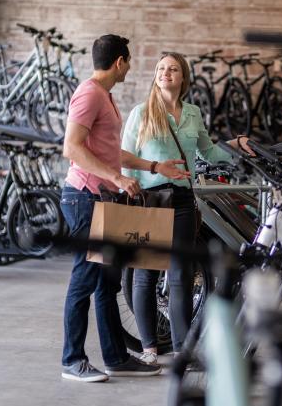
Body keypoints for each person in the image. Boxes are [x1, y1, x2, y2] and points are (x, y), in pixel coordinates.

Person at [60, 35, 189, 382]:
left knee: (107, 284)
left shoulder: (105, 97)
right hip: (84, 198)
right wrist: (116, 177)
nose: (131, 67)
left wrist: (153, 167)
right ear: (119, 62)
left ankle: (116, 358)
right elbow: (71, 148)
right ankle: (72, 361)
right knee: (84, 281)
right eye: (129, 61)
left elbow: (110, 152)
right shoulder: (89, 94)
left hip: (101, 199)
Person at [121, 52, 254, 363]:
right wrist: (134, 191)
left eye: (173, 69)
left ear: (183, 78)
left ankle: (182, 348)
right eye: (161, 68)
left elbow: (207, 151)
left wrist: (233, 145)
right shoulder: (141, 113)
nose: (166, 73)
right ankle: (150, 348)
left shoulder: (192, 113)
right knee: (146, 275)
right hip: (150, 200)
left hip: (182, 200)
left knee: (180, 274)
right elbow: (124, 158)